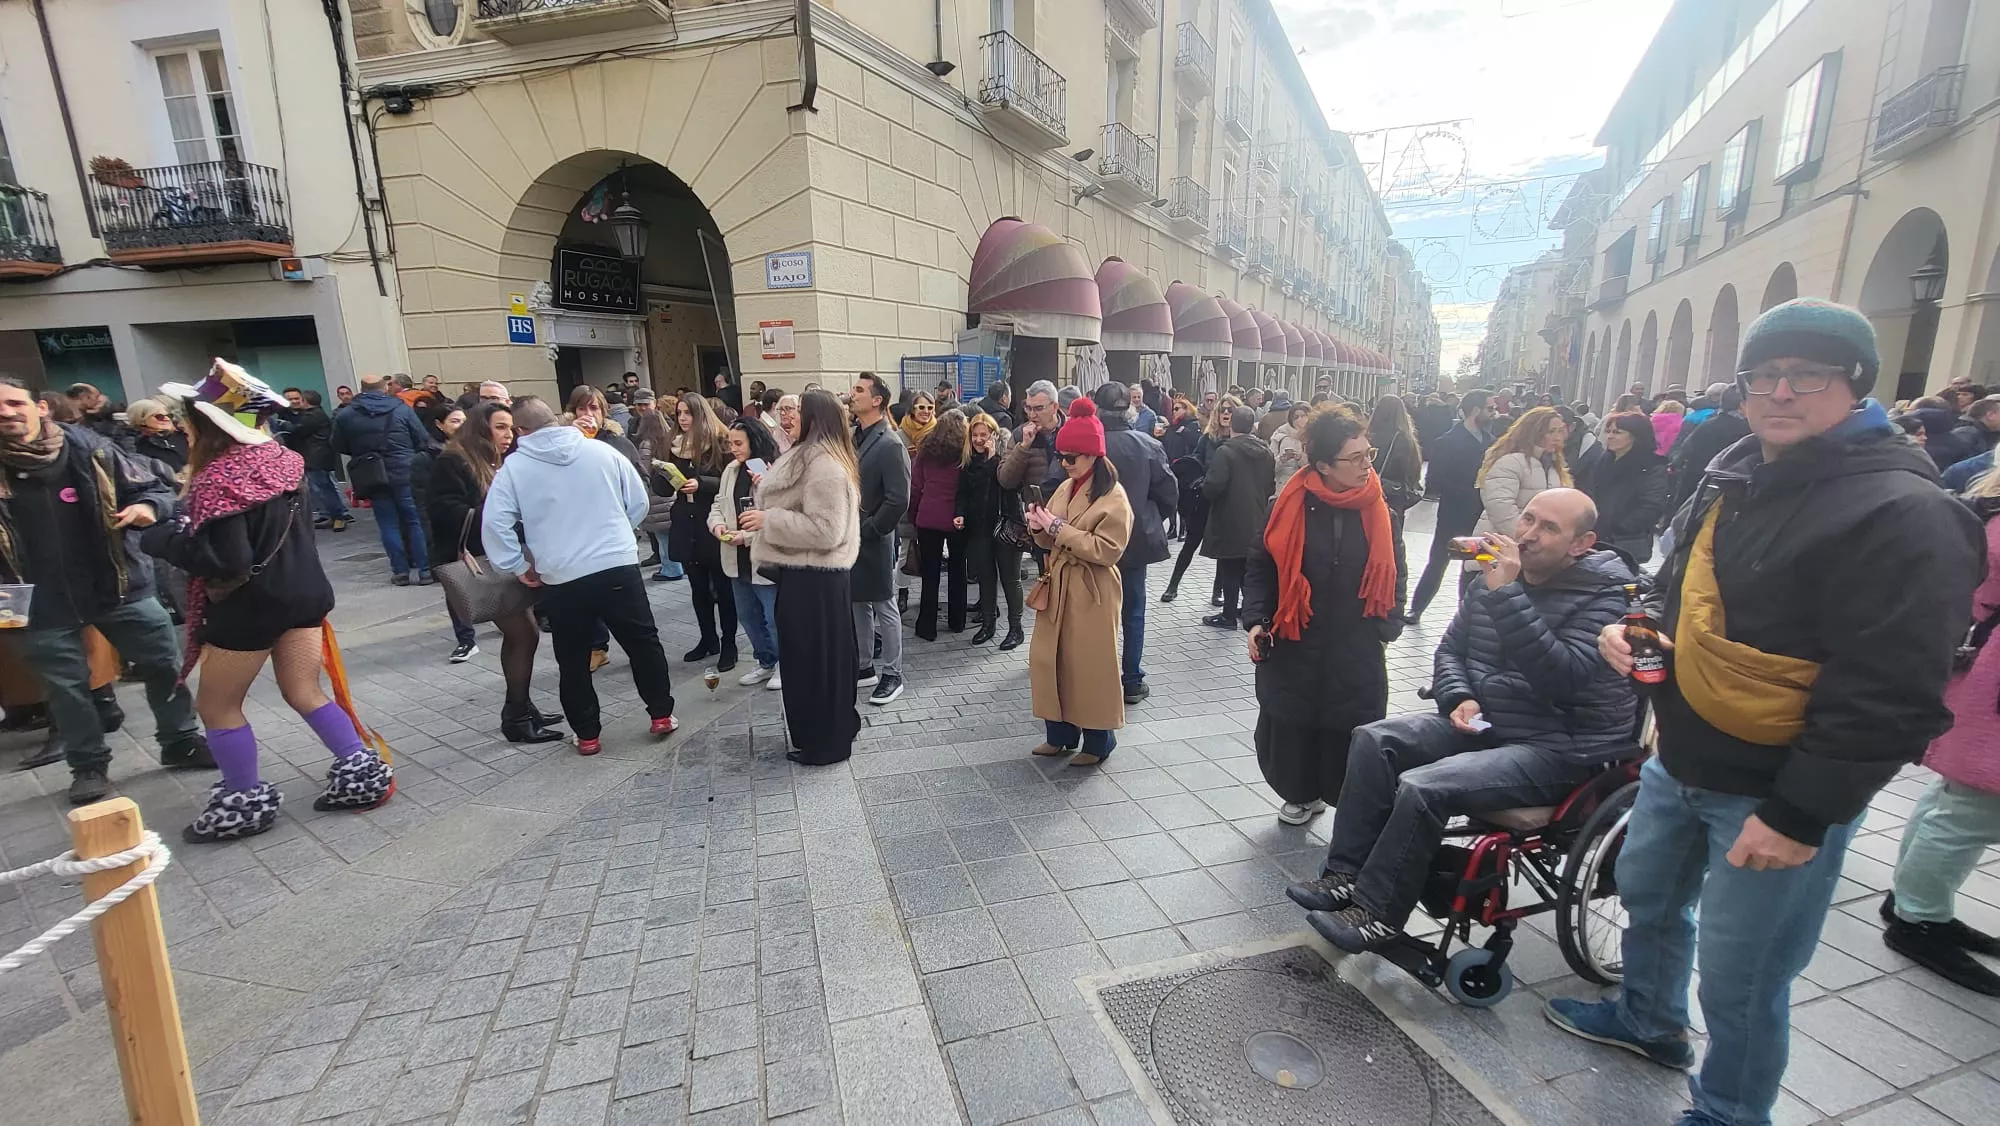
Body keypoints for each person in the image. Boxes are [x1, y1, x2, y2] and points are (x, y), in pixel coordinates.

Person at [1556, 299, 1983, 1126]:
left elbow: (1891, 696)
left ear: (1855, 384)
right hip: (1679, 760)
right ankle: (1647, 1020)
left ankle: (1729, 1111)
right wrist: (1630, 630)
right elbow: (1681, 597)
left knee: (1744, 972)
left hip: (1772, 792)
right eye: (1765, 376)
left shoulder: (1906, 512)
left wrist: (1798, 816)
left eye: (1808, 375)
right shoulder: (1737, 475)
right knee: (1647, 897)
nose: (1781, 392)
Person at [1288, 489, 1638, 950]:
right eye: (1528, 519)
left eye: (1549, 528)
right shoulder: (1492, 580)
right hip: (1489, 724)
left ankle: (1378, 913)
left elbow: (1563, 677)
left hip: (1559, 747)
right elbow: (1452, 649)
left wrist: (1508, 594)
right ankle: (1346, 875)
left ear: (1581, 543)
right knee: (1375, 740)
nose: (1529, 535)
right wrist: (1459, 695)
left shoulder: (1606, 598)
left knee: (1425, 784)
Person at [139, 364, 395, 841]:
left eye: (186, 417)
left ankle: (243, 802)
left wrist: (159, 538)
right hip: (304, 595)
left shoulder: (219, 479)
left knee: (218, 707)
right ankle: (361, 773)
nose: (180, 425)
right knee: (304, 690)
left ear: (206, 425)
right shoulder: (282, 462)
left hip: (250, 608)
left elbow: (226, 560)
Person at [0, 377, 210, 803]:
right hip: (38, 600)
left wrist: (147, 507)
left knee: (164, 663)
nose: (6, 413)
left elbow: (157, 489)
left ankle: (180, 740)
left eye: (12, 403)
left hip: (118, 583)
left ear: (40, 407)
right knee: (66, 688)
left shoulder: (91, 448)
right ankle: (88, 767)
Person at [482, 396, 679, 757]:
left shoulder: (514, 469)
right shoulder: (601, 452)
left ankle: (587, 734)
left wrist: (518, 565)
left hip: (561, 573)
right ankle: (661, 714)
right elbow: (638, 498)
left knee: (572, 657)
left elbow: (494, 523)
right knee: (642, 642)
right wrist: (622, 533)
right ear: (557, 420)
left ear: (522, 430)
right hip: (615, 562)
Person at [1244, 406, 1405, 825]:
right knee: (1291, 724)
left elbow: (1396, 570)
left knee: (1350, 725)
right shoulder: (1286, 506)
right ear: (1323, 465)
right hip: (1296, 637)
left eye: (1368, 454)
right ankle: (1298, 793)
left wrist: (1390, 622)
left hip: (1356, 641)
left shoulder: (1380, 509)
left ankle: (1343, 798)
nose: (1366, 464)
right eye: (1355, 458)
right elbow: (1261, 565)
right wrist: (1257, 619)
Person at [1878, 465, 2000, 995]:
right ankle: (1918, 916)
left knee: (1957, 797)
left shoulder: (1987, 513)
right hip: (1992, 683)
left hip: (1983, 672)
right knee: (1972, 806)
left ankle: (1913, 900)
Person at [739, 390, 863, 763]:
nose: (787, 417)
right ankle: (826, 733)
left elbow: (827, 531)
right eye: (783, 412)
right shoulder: (811, 455)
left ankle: (825, 742)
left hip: (816, 582)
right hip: (806, 578)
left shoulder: (825, 464)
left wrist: (769, 520)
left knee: (815, 665)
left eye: (796, 412)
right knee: (813, 663)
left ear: (815, 418)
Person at [426, 403, 562, 744]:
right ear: (480, 429)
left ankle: (521, 707)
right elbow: (445, 513)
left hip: (500, 559)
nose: (509, 435)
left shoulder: (497, 461)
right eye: (501, 427)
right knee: (524, 636)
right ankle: (515, 716)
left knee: (525, 635)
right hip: (479, 563)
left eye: (512, 428)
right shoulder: (453, 460)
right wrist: (499, 510)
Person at [1027, 399, 1132, 766]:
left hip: (1092, 590)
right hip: (1059, 582)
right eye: (1062, 456)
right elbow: (1050, 537)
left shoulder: (1114, 496)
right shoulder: (1066, 488)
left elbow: (1107, 550)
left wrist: (1059, 530)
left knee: (1090, 665)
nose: (1065, 463)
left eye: (1072, 457)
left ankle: (1098, 742)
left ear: (1093, 456)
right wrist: (1039, 527)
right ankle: (1059, 735)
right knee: (1050, 660)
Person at [1092, 383, 1177, 704]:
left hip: (1095, 538)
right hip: (1134, 539)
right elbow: (1169, 492)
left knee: (1097, 610)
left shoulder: (1092, 446)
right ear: (1130, 410)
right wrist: (1151, 518)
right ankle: (1131, 678)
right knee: (1133, 611)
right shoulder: (1147, 444)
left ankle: (1098, 675)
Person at [331, 372, 438, 586]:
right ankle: (425, 571)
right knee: (414, 520)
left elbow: (337, 444)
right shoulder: (401, 409)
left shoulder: (346, 414)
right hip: (405, 469)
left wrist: (362, 452)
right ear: (384, 388)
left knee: (387, 523)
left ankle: (400, 572)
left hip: (371, 472)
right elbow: (421, 438)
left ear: (361, 389)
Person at [708, 419, 785, 687]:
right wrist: (717, 525)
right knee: (748, 616)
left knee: (772, 616)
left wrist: (748, 536)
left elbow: (779, 513)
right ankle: (765, 661)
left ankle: (784, 665)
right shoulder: (731, 469)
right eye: (730, 443)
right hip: (734, 556)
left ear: (754, 441)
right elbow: (719, 503)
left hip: (762, 556)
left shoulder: (771, 469)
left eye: (738, 443)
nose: (733, 449)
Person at [665, 393, 738, 669]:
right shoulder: (674, 444)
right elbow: (664, 487)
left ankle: (729, 642)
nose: (682, 419)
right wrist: (663, 475)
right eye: (679, 413)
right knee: (697, 588)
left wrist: (702, 483)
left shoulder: (719, 442)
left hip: (713, 521)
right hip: (687, 522)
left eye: (688, 413)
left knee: (723, 587)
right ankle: (708, 638)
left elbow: (729, 479)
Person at [851, 372, 911, 704]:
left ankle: (893, 672)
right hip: (852, 537)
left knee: (883, 603)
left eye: (859, 390)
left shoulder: (890, 442)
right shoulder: (854, 437)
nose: (853, 394)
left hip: (874, 537)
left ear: (877, 400)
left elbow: (898, 499)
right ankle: (863, 666)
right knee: (856, 600)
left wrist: (872, 529)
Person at [1199, 406, 1277, 628]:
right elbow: (1270, 484)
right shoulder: (1266, 451)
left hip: (1229, 517)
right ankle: (1250, 610)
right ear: (1252, 425)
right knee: (1248, 569)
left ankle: (1228, 615)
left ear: (1232, 424)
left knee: (1229, 567)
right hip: (1257, 516)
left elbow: (1214, 486)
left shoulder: (1225, 452)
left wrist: (1203, 486)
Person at [956, 412, 1023, 647]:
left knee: (1009, 579)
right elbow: (962, 492)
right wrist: (960, 513)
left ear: (993, 435)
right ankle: (988, 625)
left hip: (1005, 526)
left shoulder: (1005, 459)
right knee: (985, 577)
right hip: (979, 527)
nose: (979, 439)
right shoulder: (968, 461)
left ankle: (1016, 628)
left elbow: (1002, 482)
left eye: (984, 434)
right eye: (975, 435)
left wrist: (993, 458)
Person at [1161, 395, 1236, 604]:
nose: (1226, 414)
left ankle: (1217, 591)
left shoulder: (1240, 440)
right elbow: (1195, 461)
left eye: (1230, 410)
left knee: (1223, 549)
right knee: (1191, 543)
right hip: (1204, 498)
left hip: (1228, 501)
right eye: (1223, 410)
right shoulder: (1208, 438)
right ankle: (1173, 585)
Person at [1577, 411, 1670, 564]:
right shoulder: (1604, 459)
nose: (1610, 436)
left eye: (1617, 432)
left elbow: (1652, 506)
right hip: (1596, 536)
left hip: (1626, 541)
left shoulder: (1651, 466)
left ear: (1635, 436)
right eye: (1608, 431)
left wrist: (1619, 527)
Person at [909, 407, 969, 641]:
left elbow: (915, 487)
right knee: (957, 570)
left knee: (930, 574)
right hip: (956, 517)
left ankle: (926, 626)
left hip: (929, 516)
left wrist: (914, 516)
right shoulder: (965, 452)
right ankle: (957, 621)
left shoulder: (926, 450)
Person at [1368, 395, 1425, 596]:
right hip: (1394, 499)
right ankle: (1388, 588)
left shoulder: (1367, 435)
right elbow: (1412, 473)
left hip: (1367, 495)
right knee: (1391, 544)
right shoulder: (1404, 438)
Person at [1666, 385, 1750, 512]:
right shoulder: (1749, 430)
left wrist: (1675, 464)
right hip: (1731, 490)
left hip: (1697, 484)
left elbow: (1686, 449)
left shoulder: (1708, 424)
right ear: (1742, 405)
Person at [276, 389, 348, 532]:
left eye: (299, 399)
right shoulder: (311, 415)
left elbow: (297, 430)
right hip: (314, 456)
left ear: (306, 401)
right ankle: (328, 514)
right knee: (318, 488)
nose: (296, 402)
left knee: (324, 488)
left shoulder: (314, 416)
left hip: (316, 457)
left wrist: (282, 424)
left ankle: (338, 516)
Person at [122, 399, 189, 473]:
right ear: (142, 419)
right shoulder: (134, 444)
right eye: (160, 417)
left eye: (169, 415)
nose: (167, 419)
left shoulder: (183, 435)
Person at [1268, 401, 1312, 483]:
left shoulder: (1313, 436)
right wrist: (1281, 460)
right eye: (1296, 417)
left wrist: (1301, 458)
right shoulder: (1280, 434)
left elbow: (1317, 466)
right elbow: (1268, 466)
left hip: (1305, 484)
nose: (1299, 420)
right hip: (1283, 484)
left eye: (1303, 416)